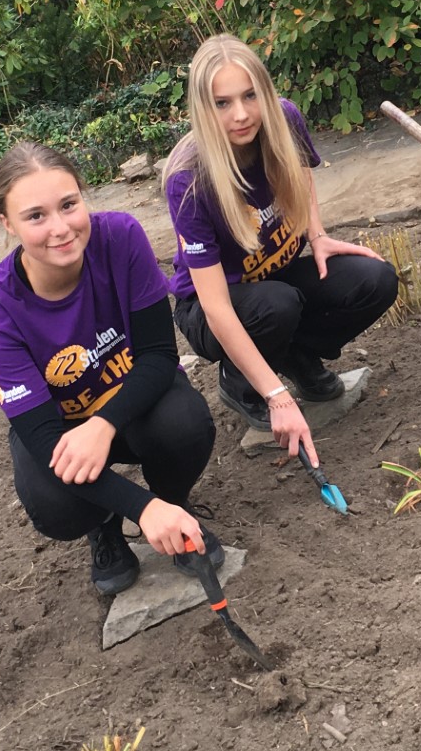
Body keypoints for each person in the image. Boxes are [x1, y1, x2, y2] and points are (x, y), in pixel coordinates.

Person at [0, 141, 218, 598]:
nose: (61, 228)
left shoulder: (121, 238)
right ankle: (105, 524)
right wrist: (136, 507)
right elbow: (43, 436)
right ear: (7, 224)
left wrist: (103, 425)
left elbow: (159, 357)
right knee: (53, 501)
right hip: (62, 433)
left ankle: (173, 506)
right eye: (35, 216)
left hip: (132, 407)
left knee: (185, 424)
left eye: (68, 205)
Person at [165, 34, 399, 464]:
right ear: (202, 107)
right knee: (276, 306)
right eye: (222, 103)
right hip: (210, 304)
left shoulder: (285, 119)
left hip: (276, 276)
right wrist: (276, 396)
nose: (241, 114)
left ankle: (298, 358)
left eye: (250, 95)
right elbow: (216, 308)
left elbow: (300, 173)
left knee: (375, 281)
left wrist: (318, 235)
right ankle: (241, 383)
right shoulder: (189, 180)